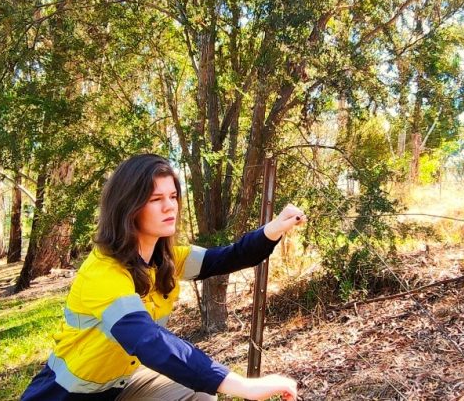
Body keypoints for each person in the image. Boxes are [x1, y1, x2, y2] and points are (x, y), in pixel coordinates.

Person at [21, 154, 304, 401]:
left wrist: (273, 229)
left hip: (121, 388)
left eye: (173, 196)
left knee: (199, 392)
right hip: (67, 395)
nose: (170, 207)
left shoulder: (166, 260)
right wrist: (244, 386)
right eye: (156, 199)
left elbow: (229, 257)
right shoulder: (103, 273)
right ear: (128, 209)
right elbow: (149, 342)